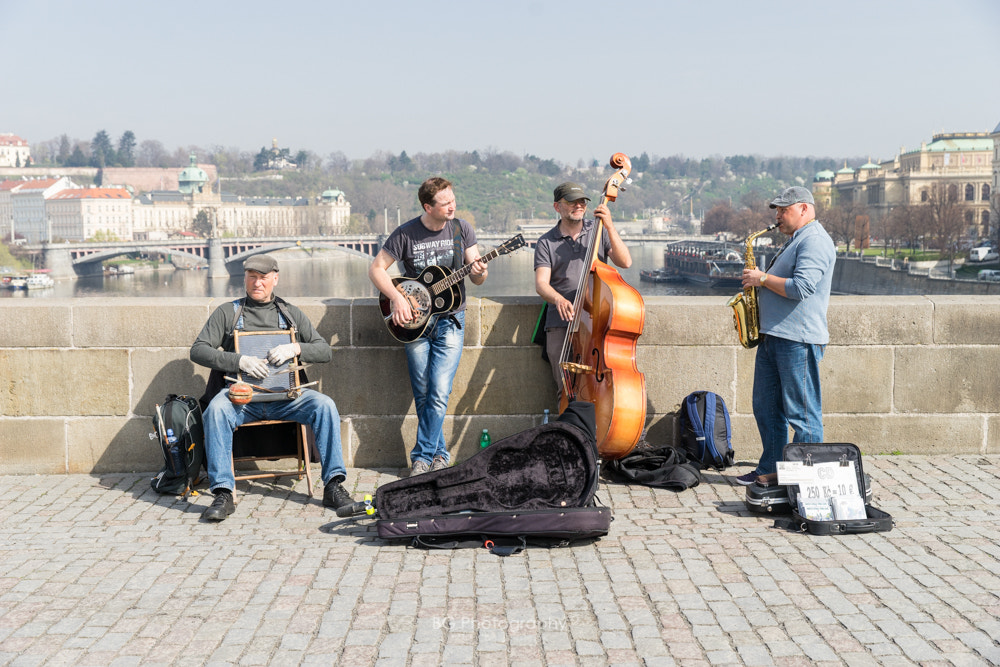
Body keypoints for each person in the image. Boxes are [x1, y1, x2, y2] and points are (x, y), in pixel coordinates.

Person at [190, 254, 354, 520]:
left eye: (263, 278)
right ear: (244, 278)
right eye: (251, 277)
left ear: (275, 279)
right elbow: (198, 351)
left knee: (325, 405)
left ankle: (333, 486)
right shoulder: (228, 313)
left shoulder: (289, 314)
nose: (257, 283)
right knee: (217, 409)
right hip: (241, 401)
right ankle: (222, 492)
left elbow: (325, 351)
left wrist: (296, 348)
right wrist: (239, 359)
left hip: (287, 399)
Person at [368, 177, 488, 475]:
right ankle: (440, 455)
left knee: (439, 391)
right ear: (428, 206)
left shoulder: (462, 229)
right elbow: (376, 269)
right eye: (445, 203)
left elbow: (476, 277)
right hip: (415, 321)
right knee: (422, 391)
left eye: (453, 199)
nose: (452, 206)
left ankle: (421, 457)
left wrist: (480, 271)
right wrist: (396, 298)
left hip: (451, 320)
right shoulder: (406, 233)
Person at [735, 186, 837, 485]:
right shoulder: (797, 239)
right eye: (777, 211)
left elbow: (801, 288)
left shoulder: (815, 241)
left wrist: (762, 279)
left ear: (804, 209)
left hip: (798, 340)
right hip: (775, 336)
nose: (777, 216)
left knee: (802, 413)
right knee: (765, 406)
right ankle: (772, 468)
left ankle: (807, 478)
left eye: (784, 210)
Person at [533, 182, 632, 399]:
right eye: (571, 202)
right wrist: (558, 299)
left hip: (596, 322)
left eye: (582, 201)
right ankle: (569, 432)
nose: (578, 206)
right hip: (560, 324)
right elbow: (542, 283)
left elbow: (625, 262)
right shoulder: (546, 242)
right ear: (557, 206)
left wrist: (609, 227)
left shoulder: (598, 232)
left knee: (602, 389)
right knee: (566, 389)